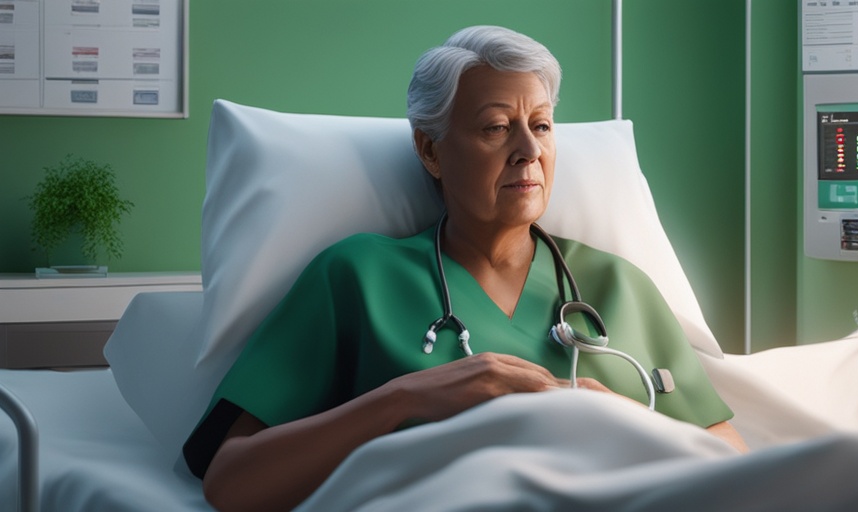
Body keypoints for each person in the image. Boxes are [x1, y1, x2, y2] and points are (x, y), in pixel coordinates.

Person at [183, 25, 746, 512]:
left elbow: (732, 462)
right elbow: (232, 482)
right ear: (430, 151)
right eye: (497, 127)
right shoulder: (357, 276)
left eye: (543, 125)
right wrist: (407, 397)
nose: (529, 150)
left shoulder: (617, 285)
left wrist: (617, 416)